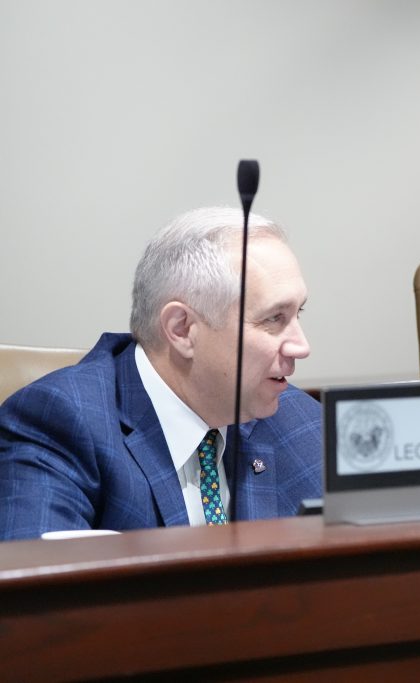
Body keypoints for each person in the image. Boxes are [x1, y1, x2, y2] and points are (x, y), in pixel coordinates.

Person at [0, 207, 321, 540]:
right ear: (182, 329)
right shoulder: (61, 423)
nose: (301, 346)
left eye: (298, 313)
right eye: (273, 319)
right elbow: (36, 569)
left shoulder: (304, 424)